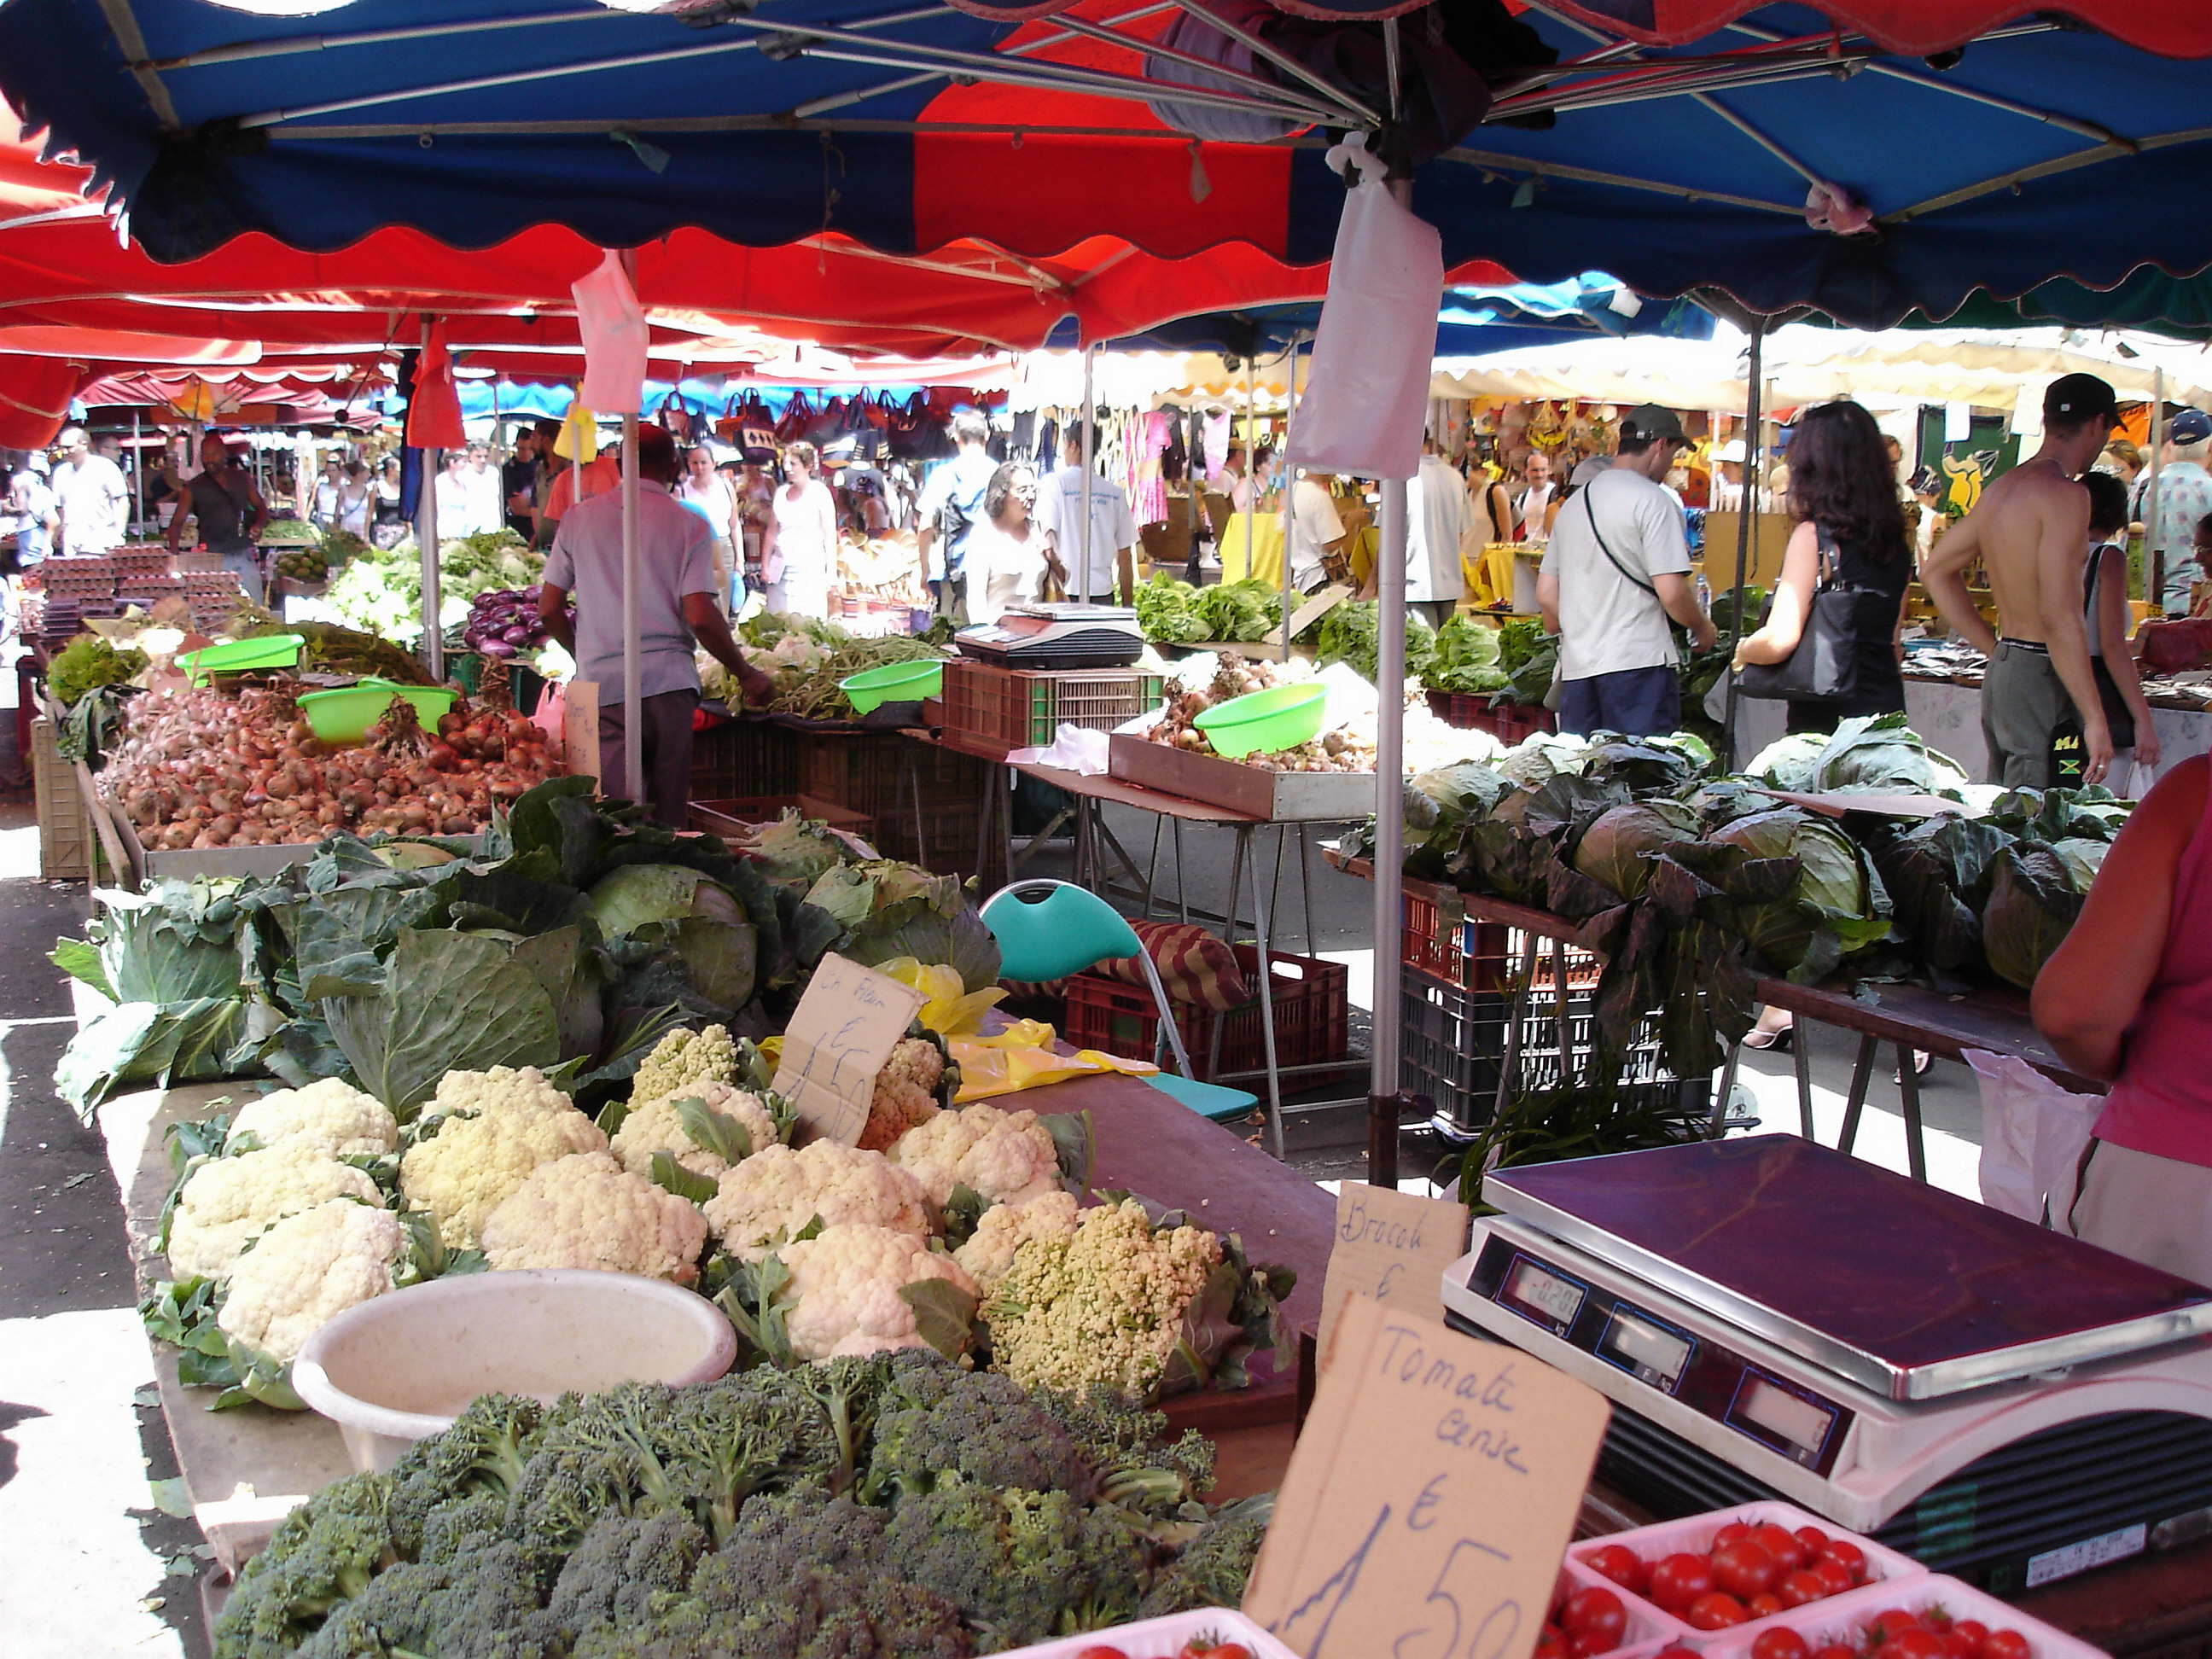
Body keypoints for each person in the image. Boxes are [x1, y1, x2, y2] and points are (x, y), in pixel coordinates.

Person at [538, 422, 775, 828]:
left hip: (600, 686)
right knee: (667, 820)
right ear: (674, 466)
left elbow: (548, 609)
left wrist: (585, 653)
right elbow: (699, 614)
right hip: (668, 685)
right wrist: (745, 674)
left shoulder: (578, 519)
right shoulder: (691, 525)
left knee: (610, 820)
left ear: (618, 465)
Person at [2034, 754, 2212, 1284]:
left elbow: (2073, 1013)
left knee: (2137, 1367)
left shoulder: (2196, 794)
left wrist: (2129, 1067)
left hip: (2171, 1180)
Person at [1924, 373, 2122, 789]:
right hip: (2044, 671)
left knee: (2012, 809)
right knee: (2038, 817)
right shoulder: (2067, 496)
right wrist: (2094, 715)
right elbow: (2060, 614)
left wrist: (1994, 648)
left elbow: (1935, 570)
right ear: (2098, 424)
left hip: (2009, 668)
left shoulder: (2002, 488)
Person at [1732, 400, 1912, 736]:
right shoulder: (1895, 540)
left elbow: (1780, 640)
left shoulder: (1814, 536)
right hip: (1885, 713)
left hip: (1827, 721)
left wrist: (1742, 649)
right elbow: (1894, 642)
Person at [1538, 403, 1718, 736]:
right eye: (1674, 454)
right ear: (1660, 446)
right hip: (1639, 668)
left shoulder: (1573, 505)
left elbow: (1547, 595)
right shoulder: (1654, 502)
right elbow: (1672, 592)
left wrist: (1582, 632)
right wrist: (1703, 629)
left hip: (1578, 671)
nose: (1670, 465)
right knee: (1641, 777)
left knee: (1582, 778)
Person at [2079, 470, 2160, 792]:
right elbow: (2111, 645)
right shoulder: (2106, 557)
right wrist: (2144, 720)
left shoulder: (2049, 552)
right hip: (2096, 684)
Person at [1034, 425, 1138, 603]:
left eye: (1065, 445)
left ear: (1074, 445)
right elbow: (1125, 555)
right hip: (1103, 592)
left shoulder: (1054, 484)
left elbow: (1044, 537)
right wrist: (1128, 607)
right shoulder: (1115, 494)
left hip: (1063, 591)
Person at [168, 430, 269, 604]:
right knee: (219, 606)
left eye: (213, 454)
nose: (208, 459)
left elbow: (261, 508)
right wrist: (174, 555)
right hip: (213, 556)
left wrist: (259, 525)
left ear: (224, 454)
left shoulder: (242, 479)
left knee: (256, 604)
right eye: (204, 455)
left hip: (242, 551)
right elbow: (177, 522)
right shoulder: (193, 487)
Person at [914, 411, 997, 620]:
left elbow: (925, 526)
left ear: (956, 437)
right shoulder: (999, 473)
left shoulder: (944, 474)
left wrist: (925, 570)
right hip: (994, 571)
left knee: (954, 639)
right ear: (987, 435)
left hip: (954, 572)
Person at [2133, 408, 2212, 614]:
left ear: (2171, 445)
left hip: (2146, 605)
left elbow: (2129, 548)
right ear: (2210, 446)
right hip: (2195, 605)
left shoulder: (2142, 489)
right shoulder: (2209, 490)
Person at [764, 440, 838, 620]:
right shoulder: (781, 493)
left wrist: (831, 573)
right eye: (786, 463)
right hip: (780, 567)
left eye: (793, 464)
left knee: (806, 619)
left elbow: (829, 535)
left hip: (809, 568)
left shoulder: (820, 493)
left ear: (808, 467)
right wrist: (765, 564)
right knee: (778, 618)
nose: (788, 468)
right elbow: (772, 532)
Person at [1403, 435, 1472, 628]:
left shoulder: (1402, 479)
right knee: (1445, 648)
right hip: (1450, 582)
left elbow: (1389, 540)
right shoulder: (1455, 477)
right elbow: (1460, 534)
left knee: (1426, 651)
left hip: (1415, 583)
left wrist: (1371, 586)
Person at [966, 462, 1047, 623]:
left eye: (1033, 489)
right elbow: (976, 601)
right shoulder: (983, 536)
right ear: (1002, 494)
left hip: (1037, 637)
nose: (1031, 496)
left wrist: (1051, 553)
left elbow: (1063, 579)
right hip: (997, 637)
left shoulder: (1039, 529)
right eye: (1022, 490)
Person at [678, 445, 740, 615]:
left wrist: (739, 560)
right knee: (702, 599)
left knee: (723, 600)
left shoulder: (726, 487)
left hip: (724, 545)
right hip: (697, 549)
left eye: (704, 462)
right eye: (695, 463)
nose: (700, 468)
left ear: (713, 464)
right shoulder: (682, 491)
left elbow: (734, 525)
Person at [50, 426, 129, 556]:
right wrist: (52, 540)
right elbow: (60, 510)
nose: (64, 452)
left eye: (69, 447)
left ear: (84, 444)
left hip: (100, 540)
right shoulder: (61, 472)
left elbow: (122, 500)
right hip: (72, 542)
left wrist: (119, 532)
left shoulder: (105, 467)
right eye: (62, 448)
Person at [1282, 468, 1348, 592]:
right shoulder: (1319, 496)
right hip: (1320, 577)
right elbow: (1330, 545)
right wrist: (1350, 524)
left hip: (1303, 576)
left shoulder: (1295, 489)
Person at [6, 451, 55, 568]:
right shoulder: (34, 477)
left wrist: (5, 507)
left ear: (13, 460)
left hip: (29, 529)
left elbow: (22, 510)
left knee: (33, 568)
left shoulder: (19, 480)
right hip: (39, 527)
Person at [1515, 451, 1556, 544]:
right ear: (1524, 471)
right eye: (1535, 470)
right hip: (1525, 551)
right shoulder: (1523, 497)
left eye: (1543, 470)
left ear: (1549, 470)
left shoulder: (1555, 495)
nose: (1539, 475)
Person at [371, 457, 407, 549]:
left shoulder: (403, 488)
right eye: (399, 468)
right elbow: (369, 512)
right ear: (391, 470)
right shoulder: (378, 487)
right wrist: (367, 536)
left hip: (401, 531)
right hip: (383, 531)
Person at [335, 461, 372, 540]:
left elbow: (369, 514)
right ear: (359, 474)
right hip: (347, 527)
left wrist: (366, 535)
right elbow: (337, 512)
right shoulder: (343, 490)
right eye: (367, 473)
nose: (369, 475)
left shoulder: (369, 491)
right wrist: (335, 530)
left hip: (362, 528)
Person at [310, 457, 344, 528]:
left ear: (339, 472)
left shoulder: (343, 488)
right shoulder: (321, 486)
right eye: (328, 470)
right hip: (320, 520)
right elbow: (313, 501)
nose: (330, 473)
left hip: (336, 521)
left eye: (333, 470)